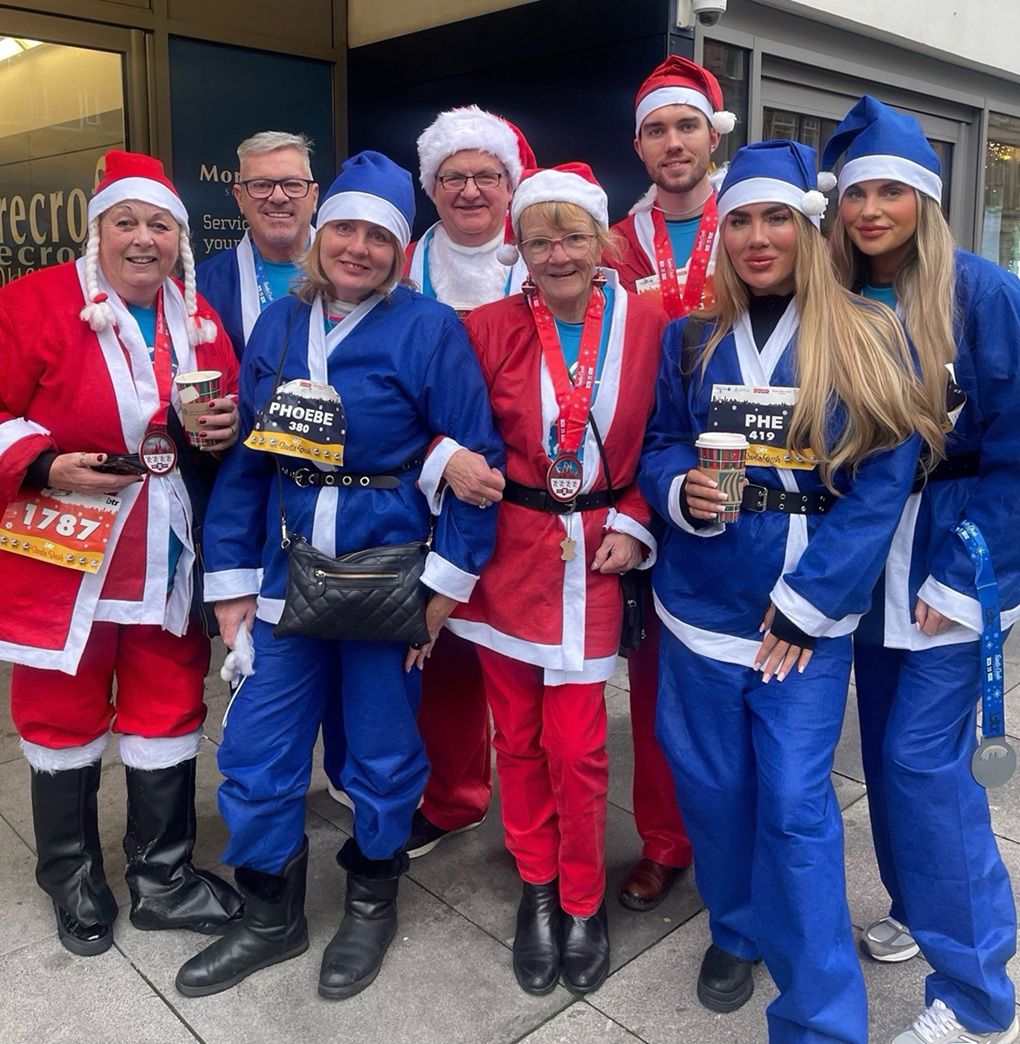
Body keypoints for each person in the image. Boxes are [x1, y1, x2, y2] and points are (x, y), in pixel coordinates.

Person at [175, 150, 501, 1002]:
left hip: (383, 584)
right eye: (344, 230)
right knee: (251, 753)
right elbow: (249, 465)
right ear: (320, 237)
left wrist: (441, 594)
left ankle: (369, 900)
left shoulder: (429, 330)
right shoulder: (279, 329)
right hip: (284, 583)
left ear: (399, 250)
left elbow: (477, 465)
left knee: (385, 755)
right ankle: (270, 915)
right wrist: (232, 587)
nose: (357, 247)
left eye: (377, 236)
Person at [640, 139, 941, 1042]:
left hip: (800, 624)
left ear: (809, 228)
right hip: (699, 605)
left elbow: (885, 480)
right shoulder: (689, 337)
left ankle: (818, 1018)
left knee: (797, 809)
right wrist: (676, 492)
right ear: (722, 232)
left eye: (777, 217)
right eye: (740, 220)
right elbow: (660, 441)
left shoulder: (867, 330)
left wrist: (810, 605)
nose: (757, 237)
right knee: (712, 787)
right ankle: (736, 927)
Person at [0, 149, 243, 957]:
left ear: (180, 236)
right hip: (64, 547)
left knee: (167, 703)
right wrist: (41, 460)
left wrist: (222, 431)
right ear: (97, 229)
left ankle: (162, 877)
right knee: (60, 710)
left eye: (160, 225)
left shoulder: (198, 318)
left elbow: (227, 417)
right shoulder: (30, 303)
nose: (144, 240)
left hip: (166, 548)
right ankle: (70, 878)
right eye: (126, 223)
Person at [824, 95, 1020, 1044]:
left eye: (892, 191)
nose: (871, 210)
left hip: (956, 557)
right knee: (885, 752)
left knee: (920, 765)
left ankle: (976, 993)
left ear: (925, 201)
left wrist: (966, 576)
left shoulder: (983, 292)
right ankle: (914, 904)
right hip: (868, 562)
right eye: (857, 192)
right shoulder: (835, 295)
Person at [447, 163, 664, 996]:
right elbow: (451, 426)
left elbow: (669, 436)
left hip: (598, 550)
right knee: (518, 736)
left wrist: (639, 522)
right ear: (520, 247)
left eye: (573, 235)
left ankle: (582, 898)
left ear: (602, 240)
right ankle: (536, 885)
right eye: (540, 239)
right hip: (508, 553)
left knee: (577, 746)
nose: (558, 253)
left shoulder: (646, 325)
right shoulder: (487, 326)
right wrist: (450, 462)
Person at [336, 106, 530, 858]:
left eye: (487, 175)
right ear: (431, 186)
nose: (471, 190)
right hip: (421, 496)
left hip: (532, 490)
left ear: (509, 184)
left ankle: (533, 812)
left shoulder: (537, 259)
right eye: (453, 176)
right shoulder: (397, 263)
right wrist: (436, 456)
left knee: (516, 659)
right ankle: (452, 796)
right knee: (437, 648)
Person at [609, 53, 737, 913]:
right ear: (640, 144)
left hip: (748, 476)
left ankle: (740, 828)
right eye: (656, 127)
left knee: (743, 676)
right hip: (649, 473)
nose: (672, 141)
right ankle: (665, 839)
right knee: (655, 679)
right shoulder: (612, 239)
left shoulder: (760, 221)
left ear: (711, 135)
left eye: (685, 123)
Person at [196, 131, 319, 358]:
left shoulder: (350, 273)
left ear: (314, 196)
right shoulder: (203, 286)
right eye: (261, 185)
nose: (278, 197)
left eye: (292, 184)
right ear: (240, 198)